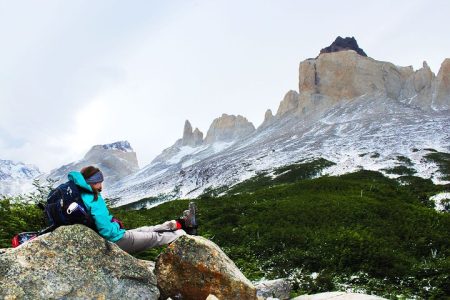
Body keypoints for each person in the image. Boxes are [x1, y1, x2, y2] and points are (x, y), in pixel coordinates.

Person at [67, 165, 196, 254]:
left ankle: (178, 223)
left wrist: (113, 223)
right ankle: (185, 233)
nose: (101, 185)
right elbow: (106, 231)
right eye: (99, 181)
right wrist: (116, 226)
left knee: (145, 229)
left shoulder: (79, 194)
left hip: (112, 236)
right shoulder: (93, 198)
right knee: (154, 237)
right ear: (93, 181)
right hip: (116, 240)